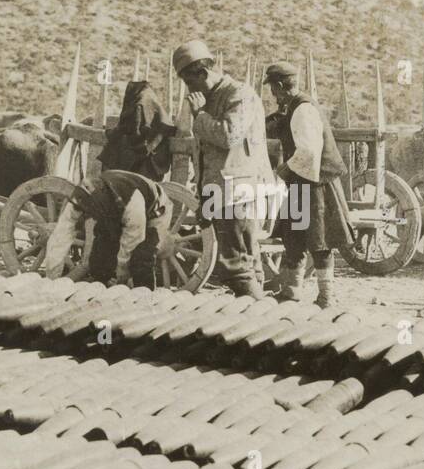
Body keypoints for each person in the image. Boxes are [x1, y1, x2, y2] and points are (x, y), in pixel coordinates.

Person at [172, 39, 273, 297]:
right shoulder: (213, 97)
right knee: (247, 259)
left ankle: (255, 315)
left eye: (189, 82)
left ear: (203, 73)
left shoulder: (239, 94)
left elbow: (229, 136)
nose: (189, 90)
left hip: (237, 190)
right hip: (222, 189)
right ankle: (257, 320)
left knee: (236, 263)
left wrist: (200, 115)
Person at [264, 62, 355, 308]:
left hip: (317, 183)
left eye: (273, 89)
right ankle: (291, 291)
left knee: (319, 241)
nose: (272, 95)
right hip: (301, 181)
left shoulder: (303, 110)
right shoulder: (292, 107)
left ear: (281, 87)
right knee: (292, 236)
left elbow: (308, 151)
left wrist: (286, 168)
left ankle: (327, 296)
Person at [40, 169, 171, 288]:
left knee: (141, 258)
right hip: (116, 212)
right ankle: (101, 290)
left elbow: (133, 240)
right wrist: (52, 279)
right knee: (99, 259)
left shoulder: (132, 202)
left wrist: (121, 273)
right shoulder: (79, 198)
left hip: (154, 214)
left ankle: (144, 299)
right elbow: (61, 236)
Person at [100, 80, 174, 180]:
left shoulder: (159, 139)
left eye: (142, 108)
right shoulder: (119, 139)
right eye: (135, 109)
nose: (138, 113)